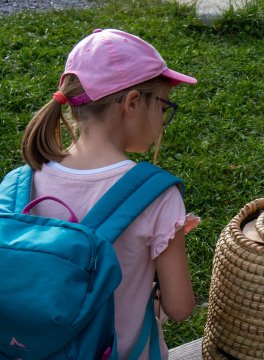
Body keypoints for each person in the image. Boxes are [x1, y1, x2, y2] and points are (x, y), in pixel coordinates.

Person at [20, 29, 200, 359]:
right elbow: (180, 308)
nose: (164, 118)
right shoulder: (156, 195)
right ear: (132, 103)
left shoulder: (24, 183)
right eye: (163, 105)